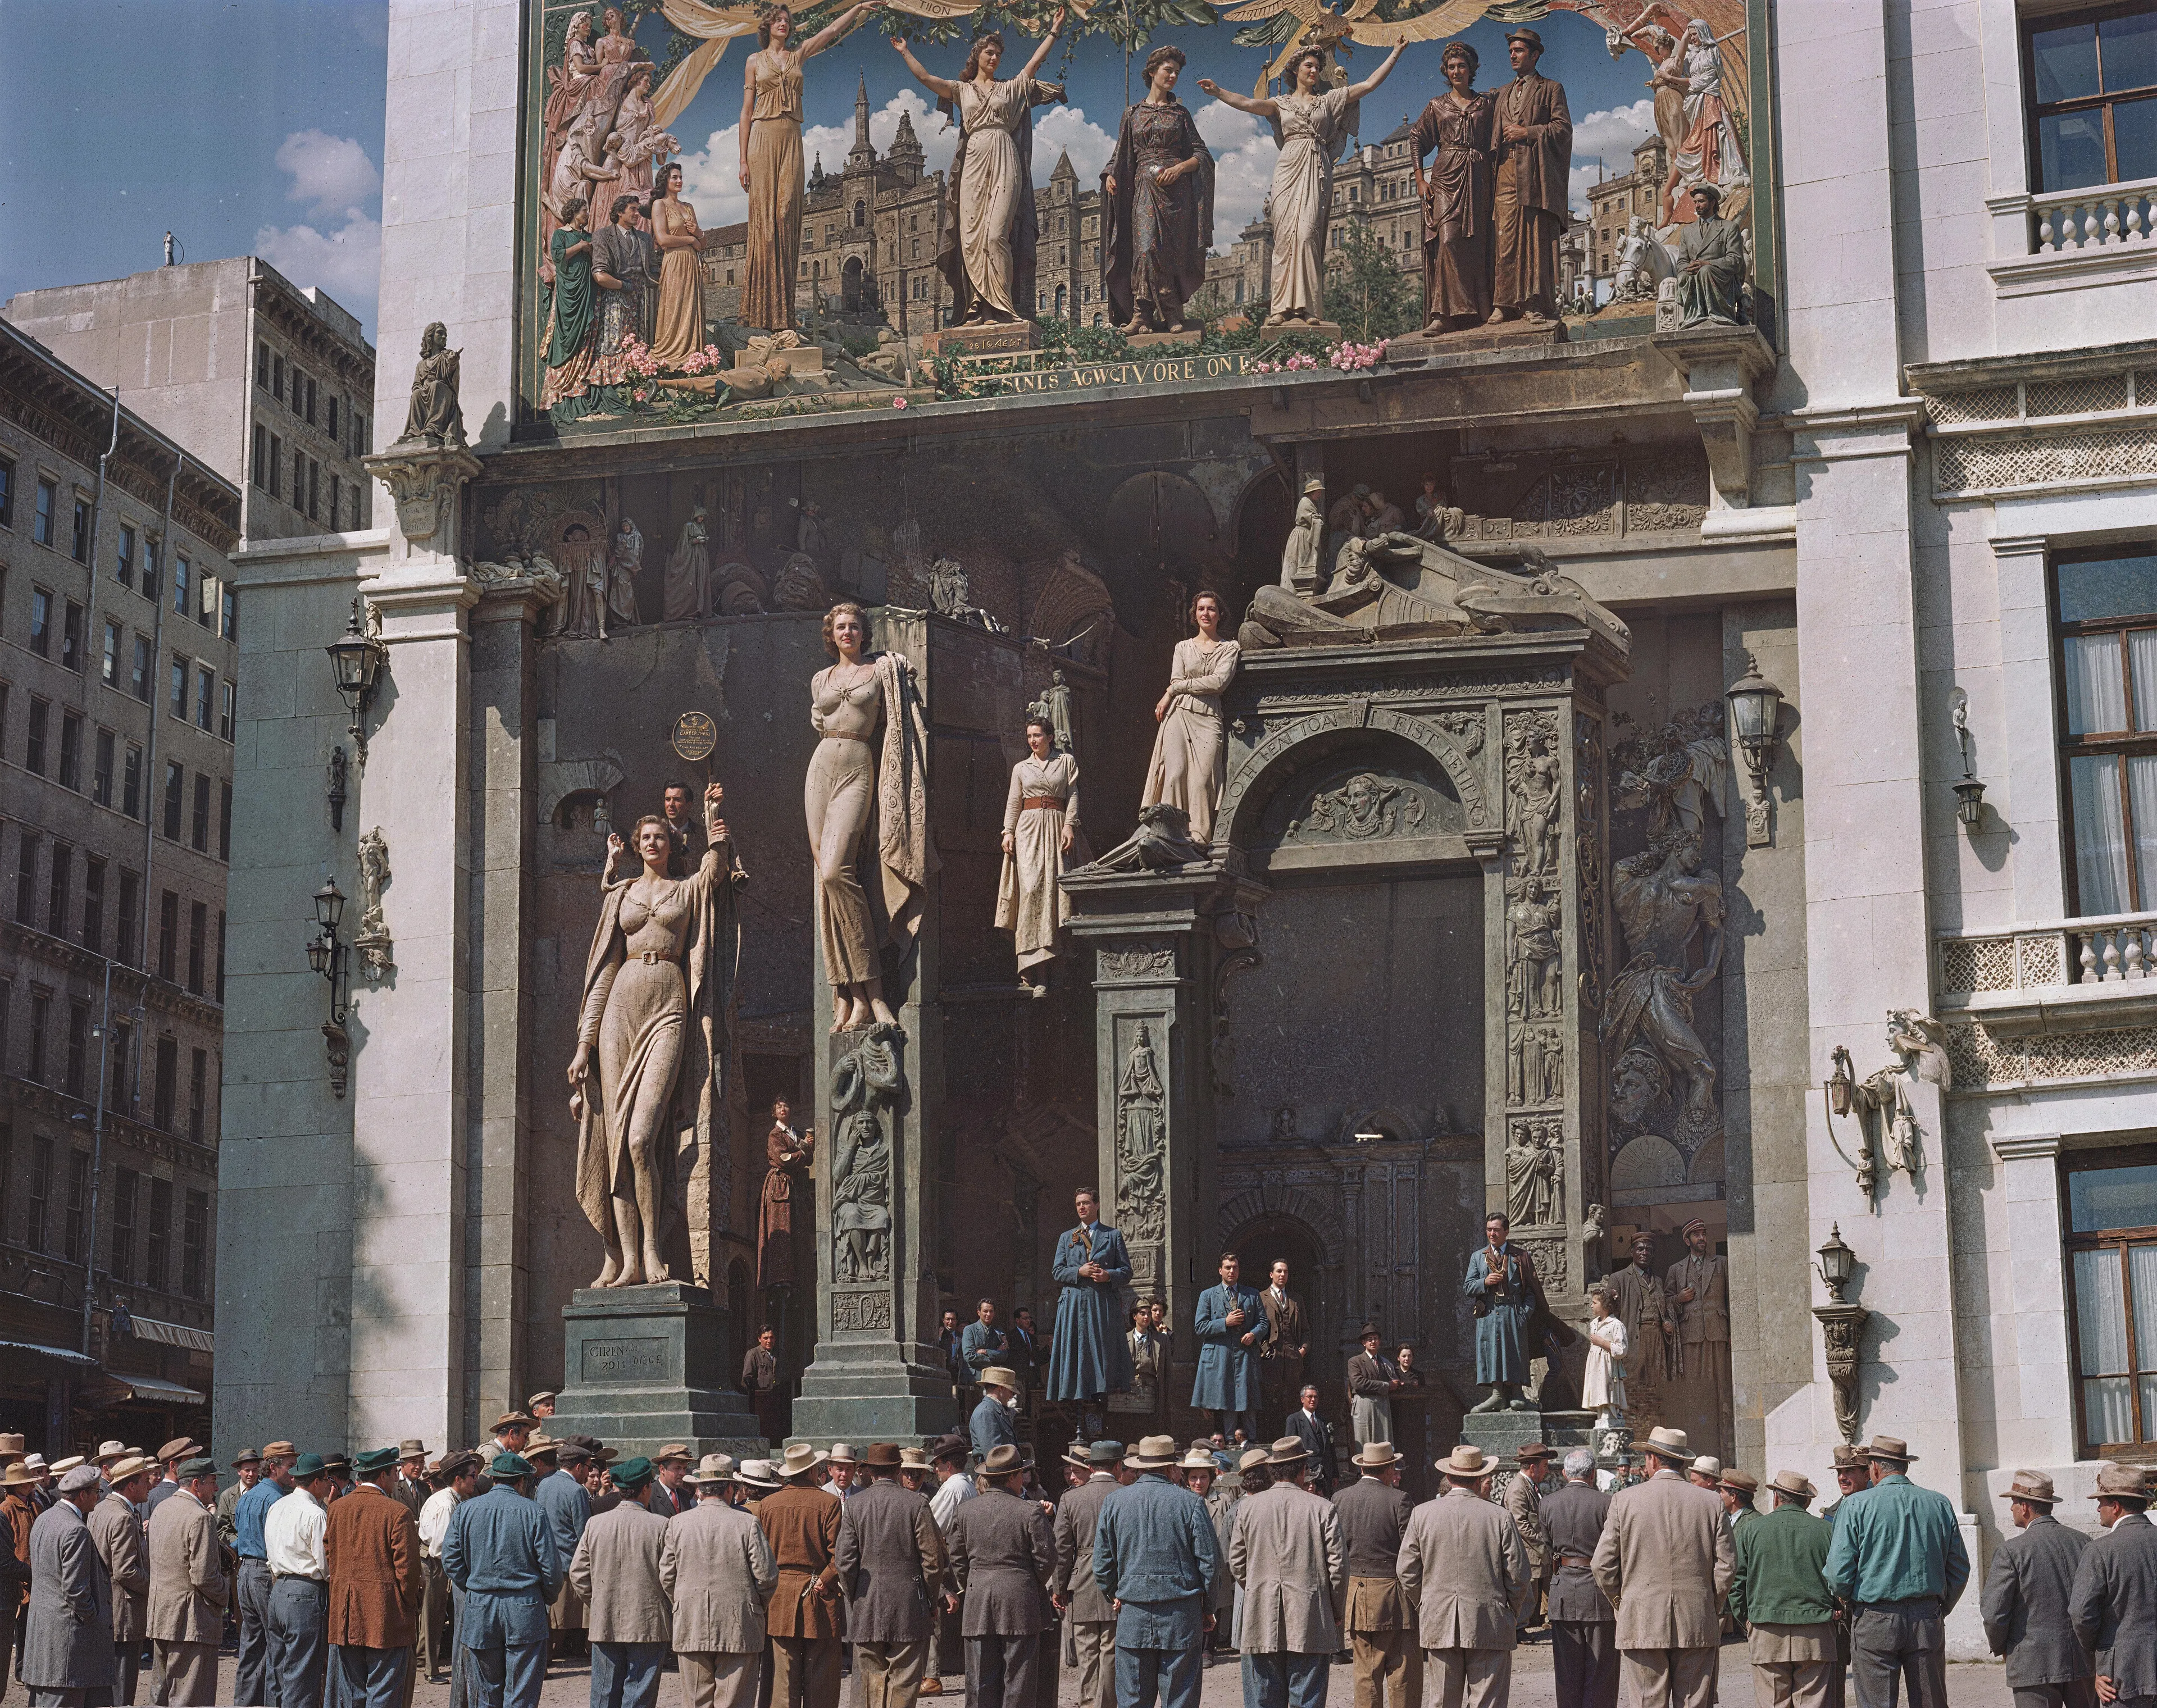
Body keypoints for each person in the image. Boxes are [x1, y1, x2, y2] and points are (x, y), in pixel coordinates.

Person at [571, 782, 739, 1286]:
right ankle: (628, 1261)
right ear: (635, 843)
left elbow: (715, 871)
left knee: (642, 1135)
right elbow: (602, 971)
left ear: (671, 842)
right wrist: (584, 1043)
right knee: (618, 1140)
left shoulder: (684, 889)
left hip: (668, 1005)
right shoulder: (621, 895)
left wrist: (713, 821)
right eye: (643, 836)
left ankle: (652, 1249)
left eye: (659, 836)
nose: (650, 842)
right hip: (620, 1008)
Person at [1195, 43, 1404, 325]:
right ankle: (1280, 309)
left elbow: (1368, 85)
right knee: (1283, 239)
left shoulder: (1329, 101)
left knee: (1307, 234)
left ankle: (1308, 308)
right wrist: (1218, 92)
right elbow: (1247, 104)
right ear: (1295, 70)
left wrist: (1395, 53)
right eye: (1309, 66)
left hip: (1316, 168)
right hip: (1287, 170)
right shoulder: (1281, 104)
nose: (1315, 71)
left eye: (1318, 67)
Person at [894, 15, 1070, 325]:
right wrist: (905, 52)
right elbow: (925, 79)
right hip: (973, 163)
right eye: (989, 53)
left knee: (997, 234)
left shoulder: (1011, 88)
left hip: (1004, 157)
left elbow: (1036, 61)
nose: (995, 58)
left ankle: (1003, 308)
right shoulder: (962, 90)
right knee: (971, 237)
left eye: (999, 55)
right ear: (977, 56)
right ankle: (979, 307)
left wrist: (1054, 30)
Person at [736, 1, 884, 333]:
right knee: (765, 218)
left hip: (791, 137)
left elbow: (832, 31)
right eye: (778, 20)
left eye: (788, 21)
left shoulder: (798, 55)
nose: (784, 25)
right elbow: (746, 112)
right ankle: (760, 311)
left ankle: (782, 310)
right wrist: (743, 160)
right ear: (767, 27)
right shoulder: (753, 62)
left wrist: (860, 8)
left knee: (788, 210)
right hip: (762, 137)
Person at [1589, 1426, 1733, 1708]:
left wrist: (1622, 1601)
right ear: (1682, 1462)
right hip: (1696, 1619)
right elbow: (1727, 1565)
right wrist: (1709, 1603)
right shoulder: (1711, 1502)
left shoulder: (1624, 1500)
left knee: (1647, 1702)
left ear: (1653, 1460)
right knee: (1694, 1702)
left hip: (1641, 1618)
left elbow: (1602, 1565)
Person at [1823, 1435, 1969, 1708]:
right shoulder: (1939, 1503)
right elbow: (1960, 1568)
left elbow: (1837, 1573)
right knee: (1931, 1701)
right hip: (1926, 1615)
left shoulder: (1856, 1505)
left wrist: (1850, 1601)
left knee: (1876, 1702)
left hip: (1875, 1616)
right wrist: (1939, 1606)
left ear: (1875, 1468)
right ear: (1905, 1467)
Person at [1398, 1444, 1529, 1708]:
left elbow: (1406, 1569)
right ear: (1480, 1478)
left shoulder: (1423, 1514)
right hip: (1490, 1619)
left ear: (1449, 1477)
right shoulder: (1499, 1517)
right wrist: (1508, 1610)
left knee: (1444, 1701)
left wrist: (1425, 1602)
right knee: (1487, 1701)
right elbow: (1519, 1574)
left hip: (1440, 1618)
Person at [1093, 1436, 1221, 1708]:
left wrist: (1114, 1594)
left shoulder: (1115, 1503)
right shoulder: (1191, 1504)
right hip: (1181, 1616)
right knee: (1180, 1700)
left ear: (1139, 1467)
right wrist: (1208, 1607)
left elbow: (1102, 1564)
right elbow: (1209, 1563)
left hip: (1133, 1615)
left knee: (1133, 1700)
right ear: (1172, 1468)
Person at [1101, 44, 1216, 334]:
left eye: (1177, 72)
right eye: (1168, 70)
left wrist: (1179, 168)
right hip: (1143, 189)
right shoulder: (1133, 114)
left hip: (1176, 195)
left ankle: (1172, 313)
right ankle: (1142, 312)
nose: (1174, 76)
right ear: (1152, 71)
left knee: (1169, 253)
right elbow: (1119, 155)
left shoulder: (1180, 114)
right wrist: (1109, 176)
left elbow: (1202, 155)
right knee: (1145, 248)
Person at [1231, 1436, 1345, 1708]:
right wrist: (1336, 1609)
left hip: (1261, 1615)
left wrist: (1259, 1587)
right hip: (1310, 1616)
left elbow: (1236, 1561)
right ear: (1302, 1469)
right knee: (1307, 1698)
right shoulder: (1323, 1508)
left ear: (1273, 1470)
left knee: (1264, 1699)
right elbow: (1338, 1568)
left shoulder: (1247, 1508)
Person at [442, 1452, 562, 1708]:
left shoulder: (465, 1510)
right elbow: (551, 1569)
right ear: (521, 1482)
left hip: (481, 1608)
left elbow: (450, 1559)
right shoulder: (535, 1512)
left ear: (494, 1479)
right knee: (522, 1692)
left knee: (486, 1691)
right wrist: (544, 1598)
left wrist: (475, 1585)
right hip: (525, 1607)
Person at [834, 1443, 945, 1708]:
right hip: (909, 1606)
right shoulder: (917, 1504)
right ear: (898, 1470)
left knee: (871, 1686)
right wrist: (930, 1602)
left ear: (870, 1472)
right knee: (904, 1685)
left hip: (867, 1605)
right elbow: (932, 1561)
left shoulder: (854, 1505)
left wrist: (855, 1597)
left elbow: (844, 1561)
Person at [663, 1455, 779, 1708]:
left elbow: (667, 1575)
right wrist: (754, 1605)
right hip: (739, 1625)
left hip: (691, 1622)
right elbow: (767, 1576)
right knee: (734, 1701)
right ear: (730, 1488)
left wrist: (684, 1601)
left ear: (700, 1489)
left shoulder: (678, 1523)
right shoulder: (747, 1523)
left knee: (696, 1700)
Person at [949, 1446, 1055, 1708]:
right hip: (1021, 1602)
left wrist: (973, 1583)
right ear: (1012, 1478)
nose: (1023, 1478)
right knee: (1019, 1680)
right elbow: (1047, 1559)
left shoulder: (966, 1512)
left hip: (977, 1602)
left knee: (979, 1682)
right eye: (1021, 1473)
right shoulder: (1030, 1511)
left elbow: (957, 1559)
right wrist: (1026, 1583)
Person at [1982, 1470, 2095, 1708]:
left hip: (2032, 1662)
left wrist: (2002, 1647)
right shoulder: (2083, 1542)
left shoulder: (2011, 1551)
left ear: (2024, 1507)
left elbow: (1994, 1613)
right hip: (2081, 1660)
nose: (2011, 1509)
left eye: (2013, 1503)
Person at [324, 1447, 424, 1708]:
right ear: (382, 1476)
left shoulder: (337, 1509)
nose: (396, 1478)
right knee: (384, 1691)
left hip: (345, 1616)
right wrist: (407, 1604)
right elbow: (409, 1569)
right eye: (394, 1473)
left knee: (352, 1691)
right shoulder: (397, 1512)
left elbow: (330, 1554)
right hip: (385, 1615)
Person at [568, 1456, 671, 1708]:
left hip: (605, 1621)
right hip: (649, 1624)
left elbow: (578, 1573)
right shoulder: (661, 1526)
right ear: (646, 1489)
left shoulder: (596, 1524)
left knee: (604, 1693)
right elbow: (671, 1576)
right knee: (640, 1694)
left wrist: (598, 1600)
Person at [1409, 41, 1498, 332]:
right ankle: (1442, 314)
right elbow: (1416, 139)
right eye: (1451, 67)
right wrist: (1420, 178)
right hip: (1446, 176)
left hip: (1479, 175)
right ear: (1445, 71)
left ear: (1471, 69)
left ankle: (1482, 306)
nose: (1456, 71)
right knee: (1447, 240)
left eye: (1462, 66)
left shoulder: (1487, 103)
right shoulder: (1437, 105)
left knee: (1478, 240)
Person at [1139, 591, 1239, 846]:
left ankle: (1199, 839)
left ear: (1220, 614)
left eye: (1212, 609)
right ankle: (1171, 835)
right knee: (1175, 774)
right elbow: (1176, 679)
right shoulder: (1182, 647)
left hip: (1208, 718)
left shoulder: (1230, 648)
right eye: (1201, 609)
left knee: (1203, 780)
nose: (1206, 613)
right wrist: (1175, 688)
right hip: (1179, 715)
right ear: (1195, 614)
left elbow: (1219, 682)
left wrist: (1173, 691)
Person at [1487, 28, 1572, 323]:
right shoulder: (1501, 94)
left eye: (1519, 50)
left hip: (1534, 174)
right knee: (1506, 237)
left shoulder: (1551, 88)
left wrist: (1529, 132)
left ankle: (1533, 303)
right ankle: (1504, 304)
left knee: (1534, 238)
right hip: (1505, 172)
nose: (1513, 55)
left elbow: (1563, 129)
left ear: (1535, 55)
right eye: (1511, 50)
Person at [1731, 1470, 1835, 1708]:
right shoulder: (1826, 1531)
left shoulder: (1751, 1530)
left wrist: (1747, 1620)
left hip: (1766, 1629)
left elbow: (1736, 1583)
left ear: (1776, 1498)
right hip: (1815, 1630)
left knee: (1772, 1702)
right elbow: (1838, 1577)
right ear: (1806, 1501)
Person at [996, 718, 1081, 989]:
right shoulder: (1022, 768)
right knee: (1031, 889)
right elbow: (1014, 802)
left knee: (1054, 894)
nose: (1033, 741)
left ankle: (1050, 969)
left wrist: (1070, 825)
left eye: (1038, 735)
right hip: (1029, 829)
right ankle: (1027, 965)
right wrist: (1008, 832)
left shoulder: (1066, 761)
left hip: (1057, 828)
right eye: (1029, 736)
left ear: (1050, 737)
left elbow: (1073, 795)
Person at [759, 1443, 844, 1708]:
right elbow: (841, 1553)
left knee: (783, 1678)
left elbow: (760, 1557)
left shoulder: (768, 1505)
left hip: (779, 1597)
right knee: (822, 1676)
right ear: (814, 1472)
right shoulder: (829, 1503)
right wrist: (827, 1578)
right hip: (819, 1593)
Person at [1332, 1442, 1417, 1708]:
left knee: (1365, 1672)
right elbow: (1412, 1553)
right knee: (1402, 1670)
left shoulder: (1339, 1498)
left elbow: (1334, 1550)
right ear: (1390, 1468)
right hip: (1395, 1594)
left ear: (1361, 1467)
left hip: (1355, 1594)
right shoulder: (1400, 1499)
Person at [23, 1463, 115, 1708]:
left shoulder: (44, 1519)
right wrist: (92, 1617)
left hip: (44, 1634)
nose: (99, 1496)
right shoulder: (76, 1529)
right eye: (97, 1491)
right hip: (68, 1641)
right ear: (83, 1495)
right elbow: (75, 1590)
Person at [2068, 1465, 2155, 1708]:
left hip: (2121, 1675)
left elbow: (2080, 1613)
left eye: (2101, 1502)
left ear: (2115, 1506)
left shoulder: (2100, 1550)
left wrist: (2098, 1657)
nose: (2098, 1509)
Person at [144, 1456, 226, 1708]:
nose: (216, 1489)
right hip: (191, 1622)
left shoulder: (161, 1509)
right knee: (190, 1697)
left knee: (161, 1694)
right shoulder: (200, 1517)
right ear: (195, 1484)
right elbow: (203, 1576)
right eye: (212, 1482)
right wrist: (226, 1595)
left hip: (161, 1616)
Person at [1046, 1189, 1136, 1419]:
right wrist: (1079, 1271)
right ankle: (1078, 1408)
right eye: (1078, 1204)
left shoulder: (1112, 1235)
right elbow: (1057, 1271)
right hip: (1075, 1305)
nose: (1082, 1208)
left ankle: (1100, 1406)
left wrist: (1109, 1276)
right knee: (1077, 1352)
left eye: (1086, 1203)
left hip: (1101, 1304)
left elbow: (1126, 1271)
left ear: (1097, 1205)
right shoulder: (1067, 1237)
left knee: (1102, 1353)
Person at [1542, 1449, 1617, 1708]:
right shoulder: (1607, 1503)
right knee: (1602, 1674)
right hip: (1598, 1593)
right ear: (1593, 1474)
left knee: (1567, 1673)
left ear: (1564, 1474)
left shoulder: (1547, 1503)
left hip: (1562, 1591)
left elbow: (1546, 1548)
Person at [1053, 1442, 1121, 1708]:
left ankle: (1089, 1702)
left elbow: (1061, 1549)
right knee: (1112, 1651)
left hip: (1080, 1581)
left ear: (1090, 1467)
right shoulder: (1125, 1493)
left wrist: (1059, 1588)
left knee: (1086, 1651)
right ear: (1118, 1466)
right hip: (1117, 1579)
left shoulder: (1071, 1498)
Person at [265, 1454, 335, 1708]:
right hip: (305, 1593)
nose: (329, 1484)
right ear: (316, 1481)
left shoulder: (278, 1506)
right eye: (327, 1479)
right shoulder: (315, 1514)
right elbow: (326, 1566)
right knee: (302, 1673)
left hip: (278, 1589)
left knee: (277, 1669)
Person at [1664, 1220, 1732, 1461]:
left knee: (1721, 1387)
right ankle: (1697, 1442)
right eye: (1696, 1235)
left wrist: (1733, 1332)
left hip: (1717, 1333)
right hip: (1690, 1337)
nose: (1702, 1238)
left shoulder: (1722, 1263)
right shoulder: (1676, 1270)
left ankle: (1725, 1446)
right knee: (1694, 1390)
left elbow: (1731, 1299)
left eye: (1704, 1234)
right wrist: (1678, 1299)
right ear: (1687, 1241)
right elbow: (1666, 1302)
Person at [235, 1442, 296, 1706]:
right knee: (276, 1646)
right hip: (264, 1574)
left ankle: (245, 1703)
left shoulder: (247, 1496)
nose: (294, 1474)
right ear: (273, 1467)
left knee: (251, 1646)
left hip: (245, 1573)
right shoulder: (277, 1500)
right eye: (290, 1467)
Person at [89, 1454, 152, 1705]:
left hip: (106, 1609)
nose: (150, 1486)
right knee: (123, 1689)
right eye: (146, 1481)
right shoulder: (123, 1516)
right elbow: (125, 1571)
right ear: (131, 1485)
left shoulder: (101, 1508)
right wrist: (152, 1587)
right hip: (124, 1613)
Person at [1464, 1211, 1541, 1413]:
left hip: (1514, 1311)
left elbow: (1533, 1291)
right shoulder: (1478, 1257)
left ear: (1506, 1231)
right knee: (1492, 1352)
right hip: (1488, 1313)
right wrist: (1484, 1282)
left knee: (1516, 1350)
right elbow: (1468, 1287)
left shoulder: (1521, 1256)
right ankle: (1497, 1396)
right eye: (1489, 1229)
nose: (1492, 1234)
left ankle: (1518, 1395)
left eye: (1497, 1230)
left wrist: (1524, 1314)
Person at [421, 1454, 482, 1689]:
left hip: (439, 1561)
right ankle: (431, 1668)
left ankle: (429, 1662)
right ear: (458, 1479)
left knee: (434, 1615)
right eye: (472, 1476)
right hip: (437, 1565)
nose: (475, 1480)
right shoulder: (447, 1504)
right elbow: (445, 1547)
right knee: (433, 1617)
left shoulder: (449, 1499)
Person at [1194, 1252, 1266, 1445]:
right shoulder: (1208, 1295)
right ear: (1220, 1271)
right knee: (1226, 1400)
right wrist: (1225, 1322)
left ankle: (1252, 1442)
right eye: (1228, 1267)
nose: (1232, 1271)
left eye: (1235, 1267)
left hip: (1245, 1355)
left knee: (1249, 1399)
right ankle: (1229, 1442)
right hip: (1221, 1356)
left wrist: (1254, 1334)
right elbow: (1200, 1327)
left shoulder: (1252, 1294)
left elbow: (1263, 1323)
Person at [927, 1434, 975, 1696]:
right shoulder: (967, 1485)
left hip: (951, 1559)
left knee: (932, 1612)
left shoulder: (952, 1488)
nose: (935, 1470)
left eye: (938, 1464)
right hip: (964, 1558)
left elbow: (930, 1527)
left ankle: (931, 1676)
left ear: (948, 1464)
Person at [539, 1438, 594, 1661]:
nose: (589, 1473)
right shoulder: (576, 1491)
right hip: (570, 1564)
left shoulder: (544, 1484)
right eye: (589, 1468)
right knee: (562, 1623)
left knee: (550, 1620)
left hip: (546, 1561)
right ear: (579, 1467)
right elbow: (584, 1533)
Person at [1674, 184, 1746, 327]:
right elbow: (1682, 261)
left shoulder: (1729, 227)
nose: (1697, 206)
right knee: (1685, 276)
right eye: (1695, 202)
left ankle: (1719, 315)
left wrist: (1708, 264)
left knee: (1705, 271)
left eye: (1701, 201)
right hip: (1694, 279)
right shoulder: (1687, 232)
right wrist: (1687, 269)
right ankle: (1693, 317)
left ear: (1713, 202)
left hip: (1721, 279)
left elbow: (1736, 260)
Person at [1505, 1445, 1553, 1634]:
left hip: (1533, 1553)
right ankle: (1519, 1629)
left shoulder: (1530, 1486)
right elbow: (1520, 1523)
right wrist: (1542, 1545)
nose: (1547, 1471)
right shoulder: (1518, 1488)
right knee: (1527, 1594)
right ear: (1533, 1468)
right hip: (1527, 1553)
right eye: (1545, 1466)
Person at [1259, 1263, 1312, 1427]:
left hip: (1292, 1356)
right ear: (1271, 1274)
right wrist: (1265, 1351)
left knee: (1292, 1399)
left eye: (1286, 1272)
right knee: (1270, 1397)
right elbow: (1257, 1328)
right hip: (1271, 1358)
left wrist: (1302, 1350)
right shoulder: (1261, 1297)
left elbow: (1305, 1329)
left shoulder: (1296, 1299)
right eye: (1279, 1271)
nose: (1282, 1275)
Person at [0, 1459, 33, 1704]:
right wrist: (33, 1573)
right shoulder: (6, 1510)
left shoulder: (34, 1505)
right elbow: (6, 1561)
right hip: (12, 1585)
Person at [1345, 1327, 1399, 1452]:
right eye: (1370, 1339)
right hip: (1365, 1405)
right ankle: (1364, 1471)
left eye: (1376, 1339)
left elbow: (1394, 1381)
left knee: (1384, 1443)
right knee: (1365, 1443)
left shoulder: (1385, 1363)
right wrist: (1386, 1386)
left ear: (1379, 1342)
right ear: (1364, 1343)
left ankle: (1383, 1471)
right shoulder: (1355, 1361)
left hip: (1382, 1405)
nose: (1373, 1342)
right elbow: (1359, 1383)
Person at [1582, 1286, 1628, 1430]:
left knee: (1608, 1389)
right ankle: (1601, 1414)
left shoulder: (1616, 1325)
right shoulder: (1594, 1324)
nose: (1592, 1306)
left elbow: (1622, 1349)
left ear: (1605, 1306)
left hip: (1608, 1365)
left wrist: (1602, 1342)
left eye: (1595, 1303)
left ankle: (1610, 1415)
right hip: (1596, 1365)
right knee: (1598, 1388)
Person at [1285, 1387, 1339, 1498]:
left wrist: (1335, 1474)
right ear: (1302, 1399)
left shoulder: (1323, 1420)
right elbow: (1290, 1450)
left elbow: (1331, 1448)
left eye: (1316, 1397)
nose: (1313, 1399)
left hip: (1326, 1474)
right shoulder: (1294, 1420)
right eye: (1309, 1397)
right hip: (1307, 1475)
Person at [742, 1328, 786, 1445]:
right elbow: (747, 1377)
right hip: (759, 1399)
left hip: (775, 1397)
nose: (769, 1341)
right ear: (759, 1339)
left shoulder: (778, 1354)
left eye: (771, 1338)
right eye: (765, 1338)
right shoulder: (753, 1354)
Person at [973, 1369, 1022, 1463]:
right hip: (997, 1476)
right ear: (1001, 1388)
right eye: (1010, 1391)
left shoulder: (995, 1410)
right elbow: (995, 1457)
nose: (1011, 1396)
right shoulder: (986, 1413)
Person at [963, 1301, 1011, 1397]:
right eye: (985, 1311)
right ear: (979, 1312)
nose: (988, 1315)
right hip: (975, 1380)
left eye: (991, 1312)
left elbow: (1004, 1355)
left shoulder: (998, 1332)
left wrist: (986, 1352)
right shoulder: (969, 1330)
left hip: (993, 1380)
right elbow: (970, 1356)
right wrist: (994, 1359)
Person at [650, 1447, 697, 1521]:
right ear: (662, 1469)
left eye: (685, 1469)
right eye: (677, 1468)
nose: (683, 1473)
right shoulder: (650, 1494)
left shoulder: (686, 1495)